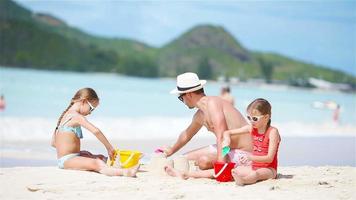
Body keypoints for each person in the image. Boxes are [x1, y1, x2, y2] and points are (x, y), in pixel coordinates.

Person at [162, 72, 252, 170]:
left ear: (188, 94)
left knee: (203, 162)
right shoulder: (200, 115)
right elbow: (186, 135)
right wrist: (170, 150)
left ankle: (224, 162)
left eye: (181, 98)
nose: (182, 101)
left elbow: (222, 136)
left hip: (246, 151)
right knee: (182, 159)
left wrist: (221, 164)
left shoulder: (213, 104)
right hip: (228, 149)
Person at [51, 88, 139, 177]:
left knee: (98, 156)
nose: (90, 113)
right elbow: (96, 131)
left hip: (69, 158)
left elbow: (53, 143)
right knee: (97, 163)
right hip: (67, 160)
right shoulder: (76, 117)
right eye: (91, 108)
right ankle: (125, 172)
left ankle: (116, 166)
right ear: (84, 101)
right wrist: (109, 148)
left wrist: (75, 152)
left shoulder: (65, 116)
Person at [224, 98, 281, 186]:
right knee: (235, 170)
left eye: (254, 118)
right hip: (254, 166)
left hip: (269, 169)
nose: (251, 121)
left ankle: (243, 181)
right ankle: (196, 174)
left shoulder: (273, 132)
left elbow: (269, 158)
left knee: (256, 174)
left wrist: (250, 158)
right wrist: (227, 141)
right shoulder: (251, 128)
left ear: (266, 117)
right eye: (249, 117)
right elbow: (228, 132)